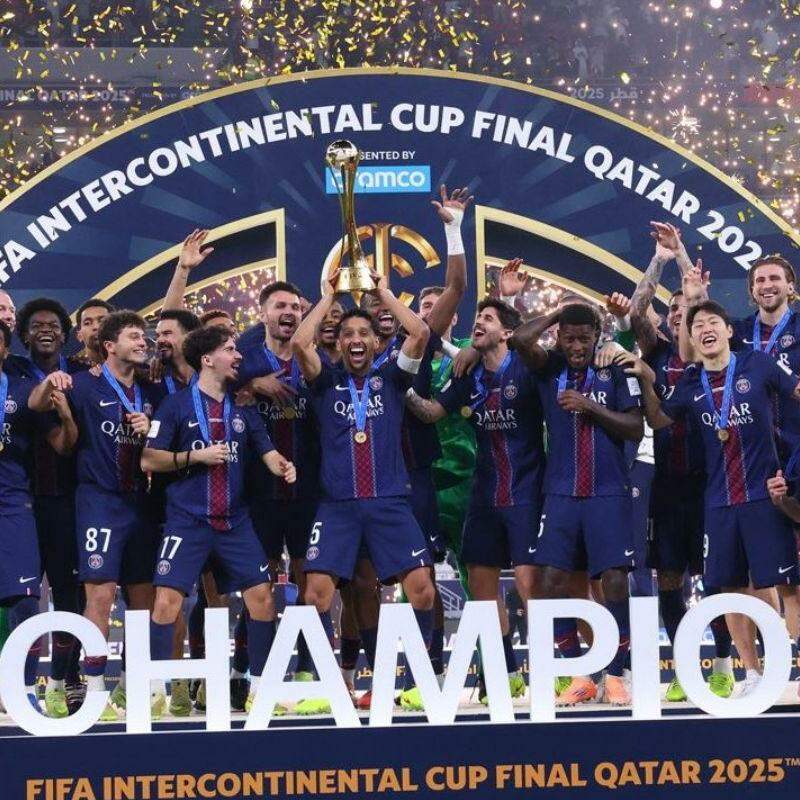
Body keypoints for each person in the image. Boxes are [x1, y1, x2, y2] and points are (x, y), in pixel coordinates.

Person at [625, 298, 800, 698]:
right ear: (691, 338)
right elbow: (659, 419)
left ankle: (786, 665)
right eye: (697, 325)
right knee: (730, 588)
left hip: (763, 497)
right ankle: (751, 673)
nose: (705, 329)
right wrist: (648, 380)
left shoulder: (757, 364)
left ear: (728, 330)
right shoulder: (690, 383)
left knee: (779, 585)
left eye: (712, 322)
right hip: (718, 501)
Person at [291, 267, 436, 709]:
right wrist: (327, 297)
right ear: (337, 343)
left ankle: (418, 682)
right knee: (316, 593)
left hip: (389, 502)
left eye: (364, 334)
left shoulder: (392, 378)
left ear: (375, 342)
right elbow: (300, 344)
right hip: (337, 506)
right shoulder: (325, 383)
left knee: (423, 588)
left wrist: (384, 292)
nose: (355, 339)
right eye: (347, 334)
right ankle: (325, 686)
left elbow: (420, 332)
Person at [142, 325, 295, 713]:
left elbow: (268, 453)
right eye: (229, 349)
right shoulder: (175, 406)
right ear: (207, 359)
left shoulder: (243, 408)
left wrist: (283, 466)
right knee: (166, 602)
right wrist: (196, 456)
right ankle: (155, 692)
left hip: (234, 522)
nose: (238, 355)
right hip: (187, 520)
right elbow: (149, 459)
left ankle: (260, 688)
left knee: (262, 598)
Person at [405, 298, 544, 703]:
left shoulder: (526, 367)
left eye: (487, 318)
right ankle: (503, 674)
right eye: (477, 317)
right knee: (481, 587)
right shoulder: (468, 373)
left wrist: (512, 305)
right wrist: (400, 389)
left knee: (529, 584)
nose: (478, 322)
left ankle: (552, 672)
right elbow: (432, 412)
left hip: (525, 490)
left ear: (507, 332)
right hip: (483, 494)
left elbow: (527, 339)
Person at [29, 311, 164, 720]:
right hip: (98, 503)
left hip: (141, 503)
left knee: (142, 600)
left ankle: (135, 686)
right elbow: (37, 406)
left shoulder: (151, 390)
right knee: (100, 596)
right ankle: (95, 689)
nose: (142, 342)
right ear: (109, 345)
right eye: (134, 336)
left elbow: (167, 439)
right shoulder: (82, 384)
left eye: (144, 337)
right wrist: (50, 384)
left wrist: (152, 426)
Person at [512, 302, 644, 706]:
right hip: (561, 493)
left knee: (614, 581)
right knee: (551, 582)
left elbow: (635, 426)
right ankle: (579, 672)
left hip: (608, 491)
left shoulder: (614, 369)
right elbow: (520, 339)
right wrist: (560, 314)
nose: (576, 346)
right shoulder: (549, 367)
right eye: (569, 338)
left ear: (596, 336)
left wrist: (590, 406)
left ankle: (617, 673)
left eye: (584, 338)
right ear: (558, 336)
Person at [628, 223, 734, 701]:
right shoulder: (655, 354)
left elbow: (700, 302)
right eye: (671, 310)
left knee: (715, 579)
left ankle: (724, 666)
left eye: (684, 311)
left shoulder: (708, 358)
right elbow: (636, 310)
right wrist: (659, 259)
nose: (678, 315)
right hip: (667, 485)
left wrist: (685, 261)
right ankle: (685, 668)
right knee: (668, 577)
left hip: (710, 482)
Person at [233, 280, 321, 711]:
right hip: (258, 491)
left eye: (295, 307)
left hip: (308, 490)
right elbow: (212, 386)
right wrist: (251, 384)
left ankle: (307, 671)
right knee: (260, 586)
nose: (288, 313)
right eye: (279, 306)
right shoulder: (243, 361)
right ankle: (249, 675)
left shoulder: (314, 360)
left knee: (310, 581)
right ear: (263, 313)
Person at [16, 298, 87, 717]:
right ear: (24, 335)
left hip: (68, 500)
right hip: (20, 502)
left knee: (67, 594)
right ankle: (19, 682)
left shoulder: (82, 373)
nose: (45, 330)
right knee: (21, 599)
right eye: (37, 325)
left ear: (65, 334)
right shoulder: (12, 373)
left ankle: (64, 678)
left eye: (54, 325)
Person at [1, 320, 77, 712]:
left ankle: (25, 689)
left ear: (5, 351)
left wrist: (66, 416)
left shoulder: (20, 389)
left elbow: (62, 445)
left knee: (26, 602)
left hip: (12, 503)